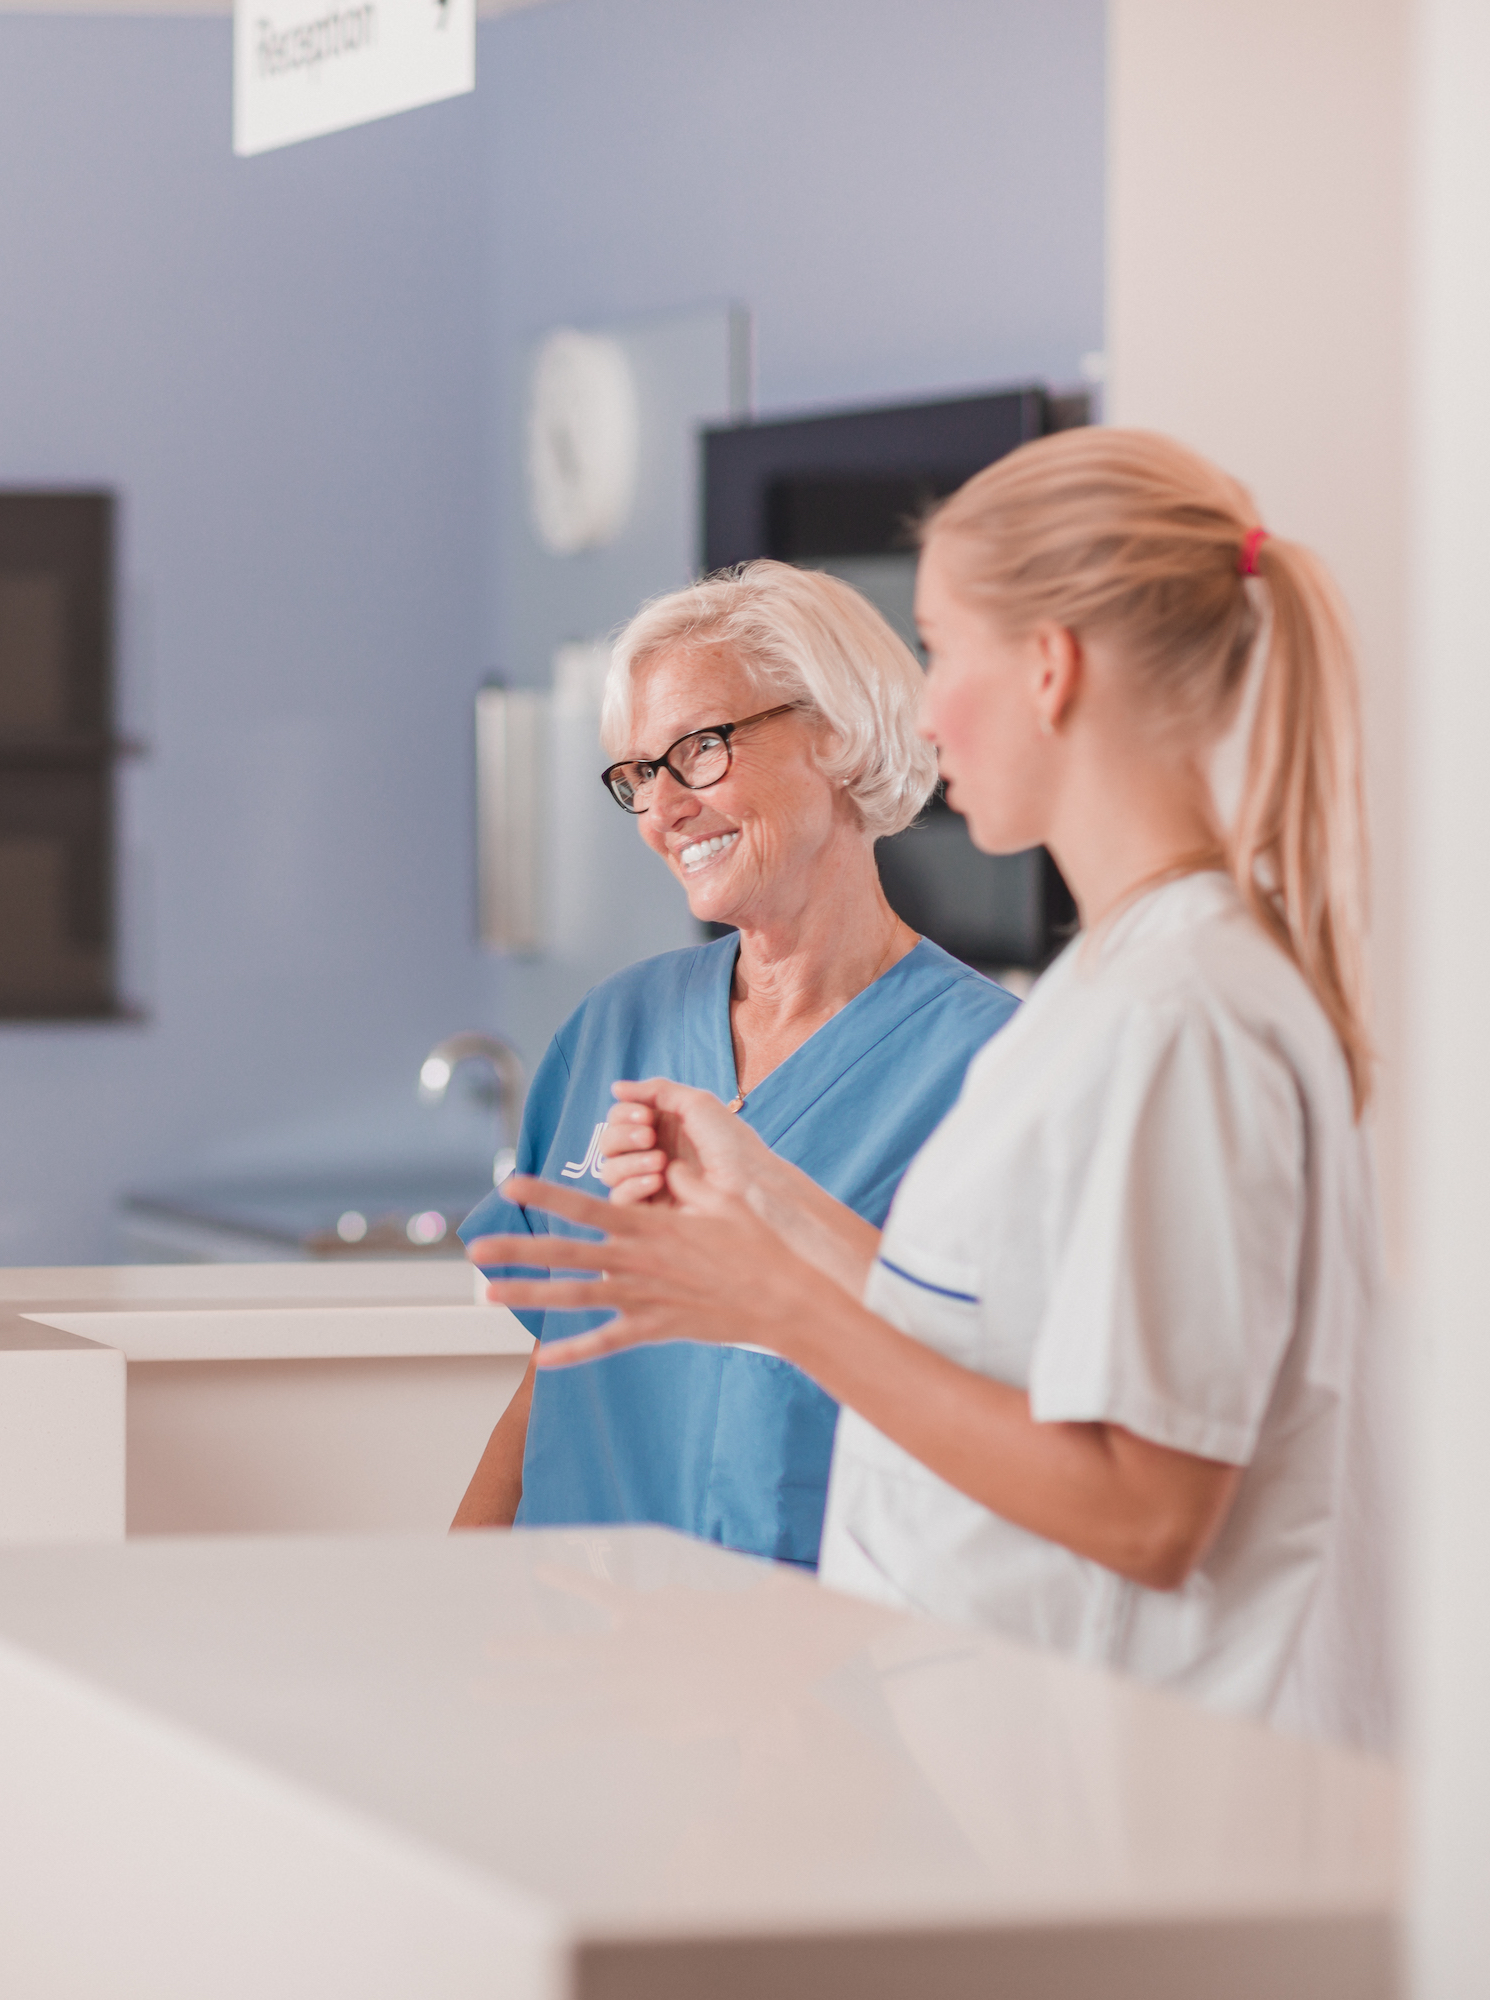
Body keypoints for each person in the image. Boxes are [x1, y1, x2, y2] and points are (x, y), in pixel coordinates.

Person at [474, 428, 1386, 1749]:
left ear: (1051, 669)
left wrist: (771, 1296)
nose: (926, 707)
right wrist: (764, 1198)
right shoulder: (1111, 995)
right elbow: (997, 1344)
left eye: (942, 650)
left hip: (1128, 1776)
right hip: (981, 1759)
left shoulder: (1174, 1015)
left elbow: (1149, 1512)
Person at [451, 562, 1017, 1565]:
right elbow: (554, 1372)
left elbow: (999, 1402)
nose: (660, 809)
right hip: (563, 1641)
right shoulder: (617, 1027)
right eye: (635, 774)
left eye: (698, 750)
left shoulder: (989, 1070)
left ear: (835, 733)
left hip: (805, 1665)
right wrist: (457, 1581)